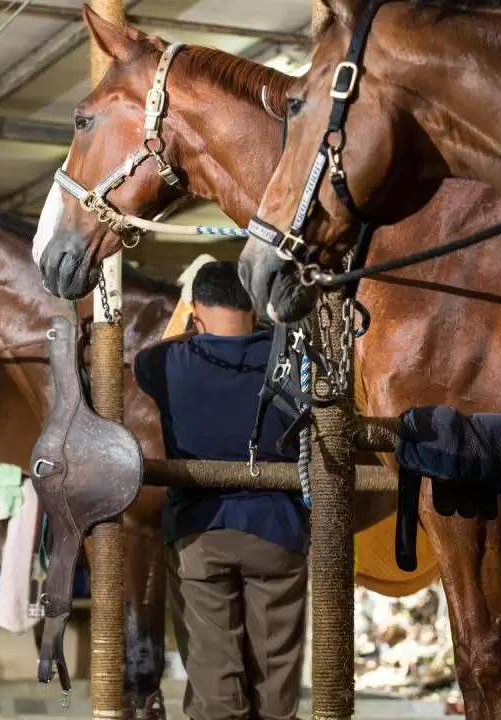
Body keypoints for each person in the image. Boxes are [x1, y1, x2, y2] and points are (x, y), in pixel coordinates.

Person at [133, 260, 308, 720]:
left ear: (196, 311)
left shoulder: (164, 363)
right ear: (256, 306)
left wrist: (191, 327)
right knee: (276, 692)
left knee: (216, 692)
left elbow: (147, 355)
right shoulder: (293, 358)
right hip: (278, 533)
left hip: (200, 535)